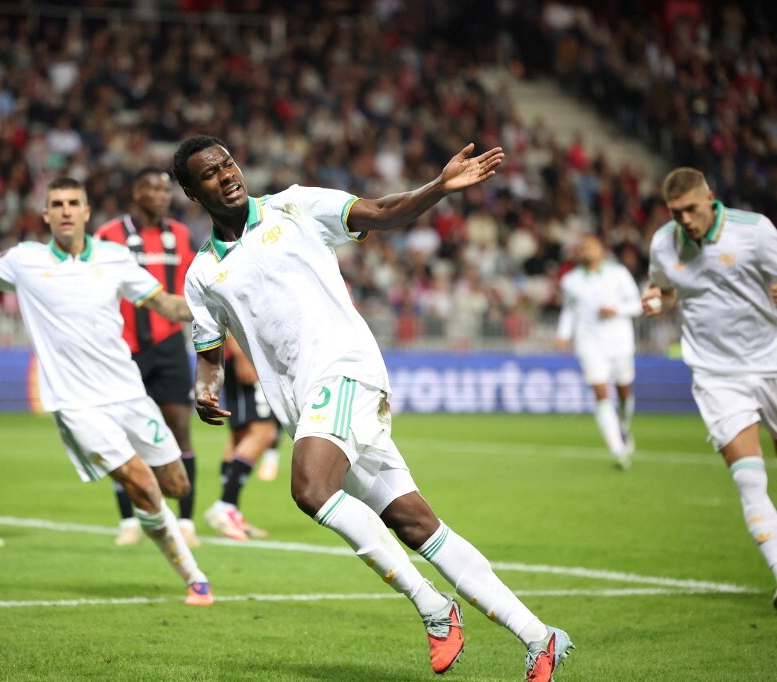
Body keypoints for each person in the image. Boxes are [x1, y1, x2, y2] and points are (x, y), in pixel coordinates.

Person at [175, 135, 571, 679]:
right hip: (305, 404)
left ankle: (433, 608)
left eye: (228, 163)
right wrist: (206, 387)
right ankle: (540, 637)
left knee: (311, 489)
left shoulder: (294, 205)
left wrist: (439, 187)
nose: (226, 175)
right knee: (416, 524)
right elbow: (209, 351)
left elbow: (381, 211)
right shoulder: (201, 274)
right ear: (193, 193)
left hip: (346, 370)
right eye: (210, 174)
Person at [0, 176, 214, 605]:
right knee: (140, 481)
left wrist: (219, 307)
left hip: (129, 394)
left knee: (176, 485)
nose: (66, 210)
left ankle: (150, 517)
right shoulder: (24, 260)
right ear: (46, 214)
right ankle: (195, 577)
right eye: (57, 203)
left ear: (87, 212)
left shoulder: (114, 258)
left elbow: (167, 305)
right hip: (75, 404)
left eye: (73, 203)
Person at [643, 167, 777, 609]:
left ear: (710, 199)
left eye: (690, 210)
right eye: (675, 213)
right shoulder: (664, 243)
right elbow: (664, 289)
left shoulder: (755, 232)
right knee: (750, 480)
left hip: (772, 361)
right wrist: (657, 300)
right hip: (716, 374)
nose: (684, 220)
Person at [94, 168, 200, 548]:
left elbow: (192, 286)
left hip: (169, 346)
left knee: (180, 429)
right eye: (153, 188)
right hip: (123, 350)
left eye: (165, 189)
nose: (162, 195)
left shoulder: (181, 234)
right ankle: (129, 521)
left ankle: (186, 522)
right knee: (122, 435)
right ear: (136, 193)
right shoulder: (108, 235)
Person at [555, 235, 642, 469]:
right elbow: (569, 310)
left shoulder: (618, 273)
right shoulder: (571, 280)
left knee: (624, 393)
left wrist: (616, 310)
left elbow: (638, 305)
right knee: (601, 394)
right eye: (583, 247)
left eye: (591, 247)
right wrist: (563, 334)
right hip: (589, 344)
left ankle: (623, 426)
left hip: (620, 342)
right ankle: (617, 451)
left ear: (601, 251)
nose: (587, 250)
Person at [203, 337, 275, 541]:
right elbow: (230, 319)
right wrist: (242, 356)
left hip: (243, 356)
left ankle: (230, 511)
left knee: (241, 436)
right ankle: (225, 506)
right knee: (264, 432)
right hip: (246, 356)